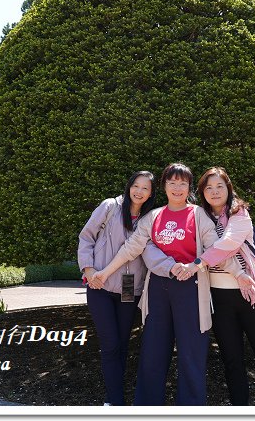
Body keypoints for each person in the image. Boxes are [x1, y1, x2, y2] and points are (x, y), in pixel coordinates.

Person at [90, 163, 252, 406]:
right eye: (172, 182)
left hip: (191, 288)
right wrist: (104, 272)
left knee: (191, 353)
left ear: (189, 187)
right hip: (158, 289)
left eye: (183, 183)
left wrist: (239, 273)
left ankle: (191, 408)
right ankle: (146, 407)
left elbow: (216, 248)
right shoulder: (152, 216)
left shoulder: (199, 214)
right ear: (164, 185)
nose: (177, 188)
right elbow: (132, 248)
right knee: (153, 352)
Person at [179, 166, 255, 405]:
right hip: (220, 298)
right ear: (202, 192)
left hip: (253, 295)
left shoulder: (240, 214)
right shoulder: (200, 218)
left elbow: (227, 245)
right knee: (232, 360)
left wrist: (195, 264)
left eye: (219, 186)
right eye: (208, 188)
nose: (214, 192)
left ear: (228, 189)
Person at [77, 171, 158, 406]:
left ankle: (116, 395)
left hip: (128, 287)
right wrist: (88, 269)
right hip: (99, 285)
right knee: (110, 344)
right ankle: (114, 402)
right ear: (129, 186)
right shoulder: (110, 206)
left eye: (145, 188)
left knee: (122, 344)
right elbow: (86, 237)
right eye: (136, 185)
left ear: (151, 194)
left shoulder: (150, 218)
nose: (139, 191)